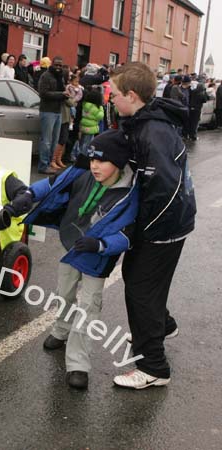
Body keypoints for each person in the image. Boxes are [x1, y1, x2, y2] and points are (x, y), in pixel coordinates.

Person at [25, 130, 138, 389]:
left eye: (102, 161)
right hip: (72, 246)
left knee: (88, 308)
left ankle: (78, 365)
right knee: (63, 292)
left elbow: (128, 234)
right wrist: (29, 194)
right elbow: (54, 184)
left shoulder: (129, 194)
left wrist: (100, 245)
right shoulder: (84, 173)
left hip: (98, 258)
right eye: (92, 159)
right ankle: (61, 329)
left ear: (119, 163)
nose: (95, 166)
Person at [108, 62, 196, 390]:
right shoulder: (143, 122)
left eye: (114, 94)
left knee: (141, 291)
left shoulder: (153, 132)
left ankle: (154, 367)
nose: (110, 99)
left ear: (132, 96)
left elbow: (165, 187)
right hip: (167, 223)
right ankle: (161, 325)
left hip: (164, 226)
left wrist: (140, 231)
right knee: (137, 278)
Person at [37, 56, 69, 174]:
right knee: (46, 140)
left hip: (58, 111)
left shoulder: (60, 77)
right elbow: (43, 93)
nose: (58, 67)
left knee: (54, 140)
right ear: (52, 64)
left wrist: (66, 94)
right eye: (56, 65)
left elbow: (62, 91)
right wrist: (61, 94)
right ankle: (43, 165)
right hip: (47, 111)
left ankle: (50, 163)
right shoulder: (45, 76)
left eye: (60, 65)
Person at [77, 87, 104, 156]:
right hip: (91, 128)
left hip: (83, 126)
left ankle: (79, 155)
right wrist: (101, 108)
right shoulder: (96, 108)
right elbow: (100, 116)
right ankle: (83, 157)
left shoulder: (85, 104)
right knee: (87, 143)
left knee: (82, 142)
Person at [186, 76, 207, 141]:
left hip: (191, 108)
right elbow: (205, 100)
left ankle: (188, 135)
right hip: (197, 109)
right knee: (195, 123)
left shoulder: (193, 91)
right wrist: (205, 92)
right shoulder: (202, 94)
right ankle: (193, 136)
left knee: (190, 122)